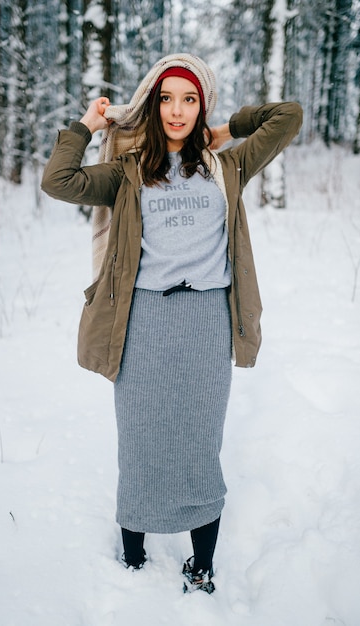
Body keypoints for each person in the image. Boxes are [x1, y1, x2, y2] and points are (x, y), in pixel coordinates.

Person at [41, 53, 303, 594]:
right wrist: (86, 126)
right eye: (166, 98)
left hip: (206, 322)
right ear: (153, 105)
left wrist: (226, 128)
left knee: (200, 441)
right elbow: (58, 180)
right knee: (139, 438)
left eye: (189, 99)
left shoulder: (228, 165)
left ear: (201, 105)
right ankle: (133, 557)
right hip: (143, 322)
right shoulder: (128, 173)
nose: (177, 110)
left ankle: (202, 566)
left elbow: (289, 115)